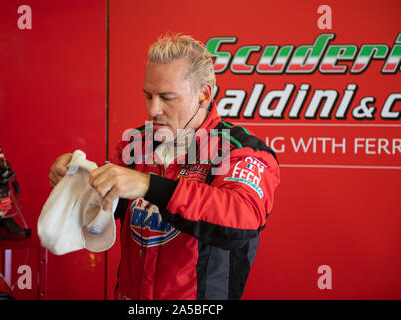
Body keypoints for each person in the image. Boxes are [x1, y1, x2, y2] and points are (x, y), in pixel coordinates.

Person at [48, 34, 280, 300]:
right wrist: (77, 179)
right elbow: (99, 215)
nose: (153, 109)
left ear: (204, 94)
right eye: (148, 95)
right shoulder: (138, 142)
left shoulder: (241, 149)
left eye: (167, 98)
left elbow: (243, 220)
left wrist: (148, 185)